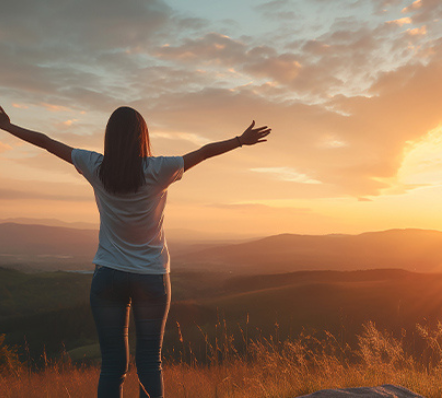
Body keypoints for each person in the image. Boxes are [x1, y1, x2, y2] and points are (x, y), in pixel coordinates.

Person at [0, 105, 271, 398]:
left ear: (110, 137)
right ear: (142, 136)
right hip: (151, 276)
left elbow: (47, 142)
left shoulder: (94, 165)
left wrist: (8, 127)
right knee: (149, 364)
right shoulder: (159, 170)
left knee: (112, 367)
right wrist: (240, 141)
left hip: (108, 276)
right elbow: (203, 152)